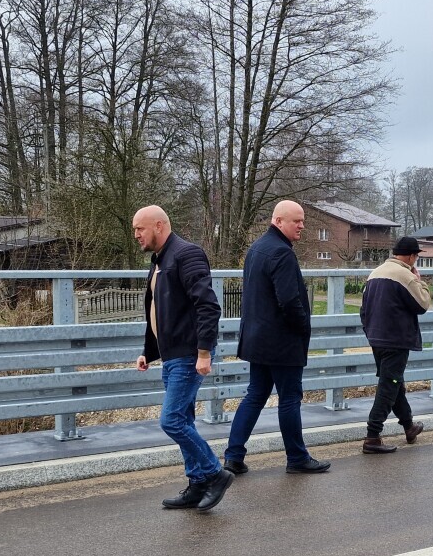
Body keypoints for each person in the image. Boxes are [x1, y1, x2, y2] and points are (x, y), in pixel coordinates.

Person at [133, 205, 234, 511]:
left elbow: (208, 306)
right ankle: (197, 482)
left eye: (140, 228)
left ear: (159, 226)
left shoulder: (186, 254)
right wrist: (149, 351)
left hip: (189, 354)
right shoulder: (159, 261)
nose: (136, 235)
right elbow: (158, 311)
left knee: (172, 420)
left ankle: (215, 474)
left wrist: (203, 352)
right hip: (171, 355)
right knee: (184, 419)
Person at [222, 200, 331, 475]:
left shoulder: (257, 248)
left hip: (257, 339)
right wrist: (303, 327)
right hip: (282, 341)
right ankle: (297, 458)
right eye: (297, 221)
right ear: (278, 221)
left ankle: (233, 457)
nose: (302, 226)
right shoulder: (282, 253)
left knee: (255, 395)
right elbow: (289, 300)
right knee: (290, 398)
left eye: (303, 221)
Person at [358, 236, 430, 454]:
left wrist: (370, 331)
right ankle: (372, 436)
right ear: (411, 256)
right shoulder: (405, 276)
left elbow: (363, 309)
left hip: (376, 337)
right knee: (389, 385)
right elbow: (423, 304)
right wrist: (419, 281)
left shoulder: (375, 273)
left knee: (394, 382)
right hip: (396, 339)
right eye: (416, 257)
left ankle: (409, 426)